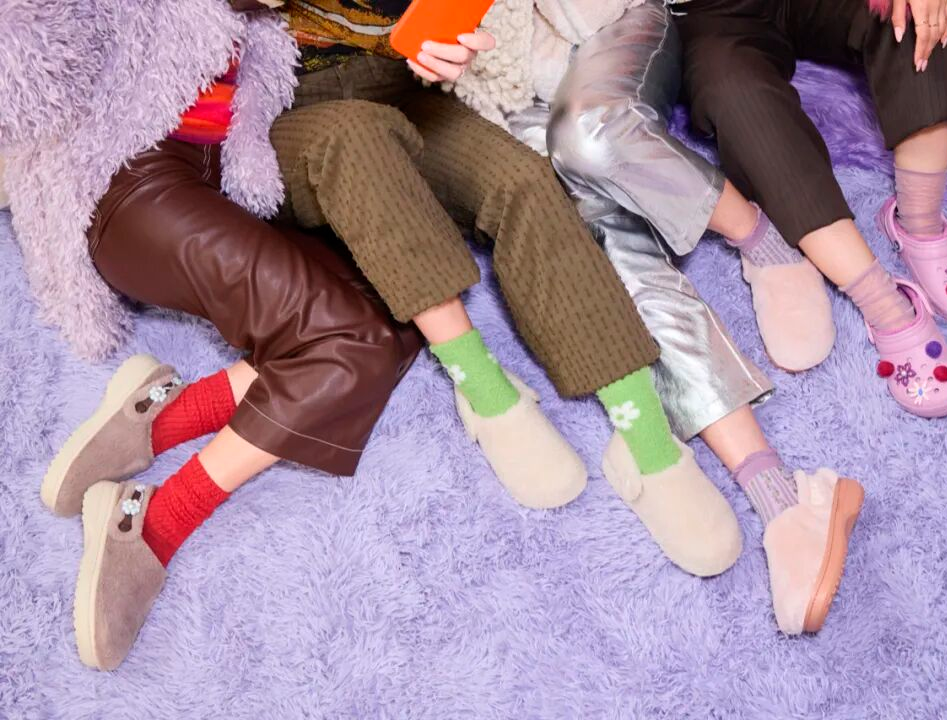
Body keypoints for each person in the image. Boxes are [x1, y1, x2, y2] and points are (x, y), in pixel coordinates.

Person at [1, 0, 421, 670]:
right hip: (124, 193)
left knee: (395, 308)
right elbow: (25, 65)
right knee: (349, 343)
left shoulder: (262, 20)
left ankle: (161, 419)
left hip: (206, 192)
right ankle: (160, 522)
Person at [265, 1, 746, 583]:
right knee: (356, 141)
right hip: (281, 106)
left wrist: (443, 41)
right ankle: (483, 389)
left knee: (522, 180)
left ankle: (646, 437)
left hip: (395, 77)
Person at [445, 0, 863, 634]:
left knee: (588, 134)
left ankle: (763, 242)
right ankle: (780, 496)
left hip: (604, 16)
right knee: (598, 237)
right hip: (496, 86)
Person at [667, 0, 947, 419]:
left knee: (920, 12)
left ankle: (920, 222)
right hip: (704, 15)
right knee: (736, 93)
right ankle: (885, 305)